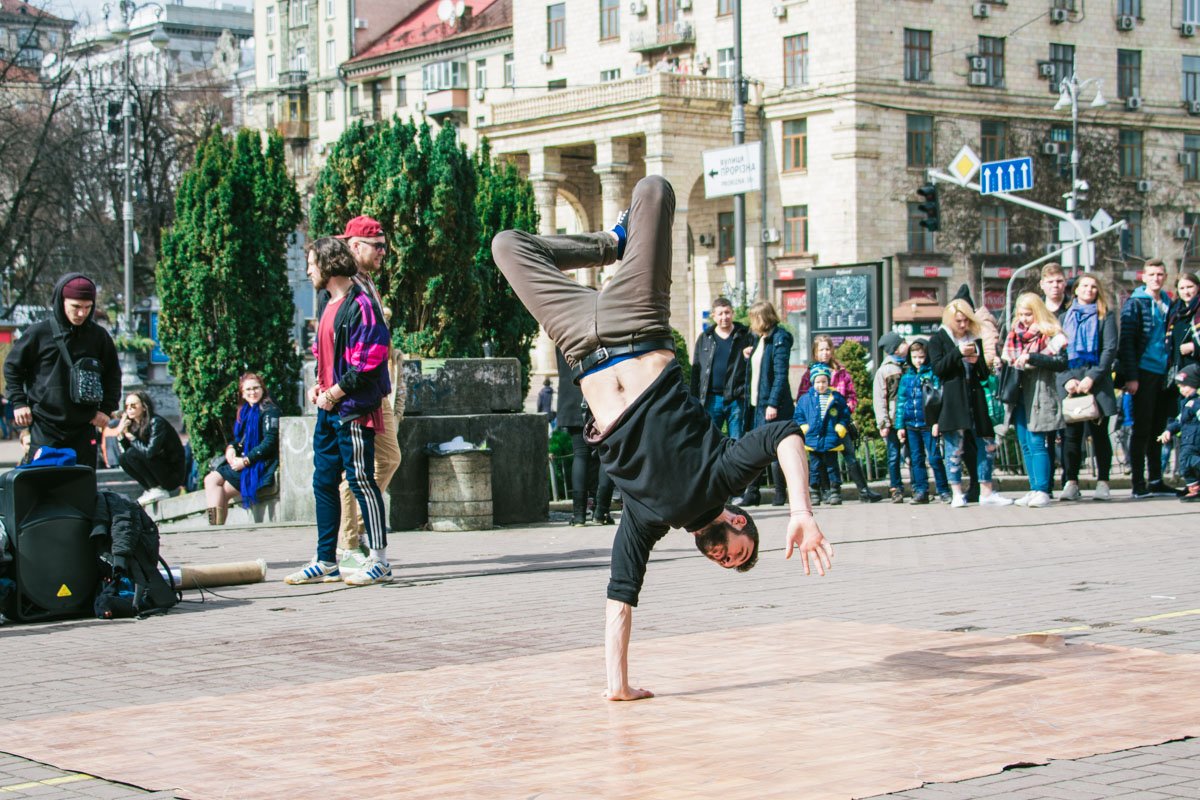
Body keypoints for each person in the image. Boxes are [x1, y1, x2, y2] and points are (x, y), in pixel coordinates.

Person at [491, 175, 832, 701]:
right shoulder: (723, 474)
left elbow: (619, 599)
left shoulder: (646, 518)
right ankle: (613, 245)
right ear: (739, 522)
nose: (726, 559)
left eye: (727, 564)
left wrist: (618, 686)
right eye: (739, 554)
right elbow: (785, 434)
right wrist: (800, 512)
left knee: (507, 246)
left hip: (579, 340)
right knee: (654, 190)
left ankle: (607, 246)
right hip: (637, 322)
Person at [285, 237, 393, 587]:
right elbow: (323, 354)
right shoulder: (326, 302)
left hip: (353, 409)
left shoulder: (361, 304)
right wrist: (320, 386)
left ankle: (379, 560)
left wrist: (334, 392)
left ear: (329, 264)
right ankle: (325, 559)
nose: (308, 269)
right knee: (323, 482)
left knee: (362, 480)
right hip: (329, 409)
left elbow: (370, 358)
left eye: (312, 262)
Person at [331, 215, 404, 567]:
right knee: (355, 469)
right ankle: (348, 543)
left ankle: (358, 530)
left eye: (385, 247)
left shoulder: (367, 282)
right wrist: (335, 390)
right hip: (357, 389)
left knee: (389, 459)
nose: (383, 253)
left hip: (378, 388)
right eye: (377, 247)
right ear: (355, 246)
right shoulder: (347, 286)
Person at [3, 273, 121, 469]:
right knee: (42, 484)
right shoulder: (38, 333)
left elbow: (112, 375)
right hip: (45, 426)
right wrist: (19, 402)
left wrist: (106, 409)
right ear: (61, 301)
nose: (82, 313)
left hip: (84, 426)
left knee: (81, 487)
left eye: (87, 307)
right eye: (76, 307)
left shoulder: (99, 336)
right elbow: (12, 367)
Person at [928, 299, 1012, 508]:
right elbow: (938, 369)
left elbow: (983, 373)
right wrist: (958, 353)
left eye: (966, 320)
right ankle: (956, 491)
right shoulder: (939, 339)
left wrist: (977, 361)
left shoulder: (975, 338)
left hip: (975, 396)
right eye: (959, 321)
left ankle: (986, 490)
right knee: (954, 447)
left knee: (987, 443)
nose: (963, 325)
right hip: (953, 398)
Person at [793, 335, 882, 503]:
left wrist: (844, 413)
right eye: (821, 350)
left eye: (827, 349)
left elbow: (851, 396)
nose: (825, 353)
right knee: (821, 458)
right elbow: (802, 399)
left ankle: (864, 491)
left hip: (838, 423)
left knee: (849, 455)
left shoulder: (841, 372)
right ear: (815, 352)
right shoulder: (809, 374)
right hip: (818, 425)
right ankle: (827, 492)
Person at [1118, 259, 1177, 498]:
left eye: (1160, 274)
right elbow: (1127, 343)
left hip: (1165, 374)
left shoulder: (1169, 304)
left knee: (1158, 428)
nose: (1156, 278)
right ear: (1143, 277)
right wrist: (1131, 377)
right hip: (1143, 372)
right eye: (1151, 274)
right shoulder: (1135, 303)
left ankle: (1155, 479)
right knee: (1141, 428)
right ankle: (1137, 483)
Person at [1003, 293, 1068, 508]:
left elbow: (1061, 362)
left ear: (1038, 312)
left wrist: (1033, 357)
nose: (1024, 319)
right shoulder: (1014, 334)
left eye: (1028, 314)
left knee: (1037, 441)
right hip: (1019, 393)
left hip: (1040, 391)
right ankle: (1033, 488)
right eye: (1021, 314)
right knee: (1025, 442)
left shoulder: (1050, 333)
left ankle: (1042, 489)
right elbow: (1008, 357)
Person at [1058, 274, 1118, 502]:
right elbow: (1058, 352)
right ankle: (1071, 482)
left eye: (1093, 286)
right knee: (1071, 437)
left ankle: (1103, 482)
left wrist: (1092, 377)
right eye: (1084, 286)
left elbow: (1109, 349)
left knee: (1100, 435)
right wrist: (1068, 380)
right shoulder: (1064, 318)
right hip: (1073, 384)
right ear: (1076, 290)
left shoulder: (1105, 316)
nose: (1089, 290)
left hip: (1097, 383)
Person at [202, 373, 282, 525]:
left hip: (260, 463)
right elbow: (241, 440)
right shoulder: (247, 411)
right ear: (243, 394)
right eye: (248, 390)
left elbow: (270, 442)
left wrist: (245, 461)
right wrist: (231, 447)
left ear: (262, 389)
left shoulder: (270, 410)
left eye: (256, 388)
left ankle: (214, 529)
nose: (252, 392)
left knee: (215, 484)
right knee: (214, 483)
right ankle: (216, 528)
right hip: (247, 460)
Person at [739, 300, 794, 506]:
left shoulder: (780, 338)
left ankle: (780, 493)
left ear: (762, 318)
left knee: (775, 450)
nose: (751, 323)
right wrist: (749, 355)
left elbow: (780, 375)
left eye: (754, 318)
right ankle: (753, 492)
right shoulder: (759, 339)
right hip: (755, 404)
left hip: (770, 405)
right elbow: (759, 368)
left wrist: (773, 403)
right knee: (755, 447)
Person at [556, 348, 614, 526]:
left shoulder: (562, 330)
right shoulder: (597, 326)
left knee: (579, 455)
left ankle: (579, 515)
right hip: (602, 394)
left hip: (573, 396)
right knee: (607, 453)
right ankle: (601, 513)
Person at [690, 296, 752, 441]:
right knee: (711, 441)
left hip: (736, 398)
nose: (724, 317)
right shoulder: (705, 338)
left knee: (737, 442)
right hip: (712, 399)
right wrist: (694, 400)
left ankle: (736, 465)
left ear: (732, 313)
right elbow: (696, 370)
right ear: (713, 316)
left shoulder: (745, 335)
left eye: (727, 312)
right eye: (720, 313)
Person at [895, 339, 949, 504]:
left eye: (921, 356)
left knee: (934, 457)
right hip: (911, 424)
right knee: (916, 459)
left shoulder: (932, 374)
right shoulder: (906, 377)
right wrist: (900, 426)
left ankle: (943, 490)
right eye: (914, 356)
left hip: (928, 424)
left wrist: (937, 422)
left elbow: (938, 400)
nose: (918, 360)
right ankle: (921, 490)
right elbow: (901, 402)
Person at [114, 391, 186, 506]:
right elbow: (128, 455)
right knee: (123, 458)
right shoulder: (134, 425)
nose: (130, 409)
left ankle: (156, 489)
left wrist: (131, 437)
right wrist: (122, 435)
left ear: (144, 406)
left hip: (172, 474)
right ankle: (151, 489)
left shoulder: (156, 422)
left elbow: (149, 452)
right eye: (127, 406)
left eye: (133, 405)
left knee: (131, 453)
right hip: (157, 470)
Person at [793, 363, 851, 505]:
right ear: (813, 382)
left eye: (824, 381)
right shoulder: (806, 399)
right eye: (818, 382)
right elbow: (798, 415)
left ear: (828, 381)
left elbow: (845, 414)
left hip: (831, 438)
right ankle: (815, 492)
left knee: (832, 466)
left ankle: (834, 491)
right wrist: (804, 427)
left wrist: (840, 426)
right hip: (812, 438)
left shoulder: (836, 398)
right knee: (814, 467)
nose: (821, 385)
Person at [872, 331, 908, 503]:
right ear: (895, 348)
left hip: (910, 418)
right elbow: (879, 398)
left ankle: (918, 486)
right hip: (893, 420)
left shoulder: (910, 366)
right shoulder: (885, 371)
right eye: (902, 343)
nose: (906, 344)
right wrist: (883, 422)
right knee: (894, 455)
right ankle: (896, 488)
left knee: (915, 455)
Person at [1159, 364, 1200, 502]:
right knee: (1185, 464)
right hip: (1187, 441)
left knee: (1190, 461)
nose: (1181, 390)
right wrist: (1169, 430)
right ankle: (1193, 488)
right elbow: (1178, 421)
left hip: (1195, 441)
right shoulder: (1185, 403)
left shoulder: (1196, 403)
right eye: (1179, 387)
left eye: (1184, 386)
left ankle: (1194, 488)